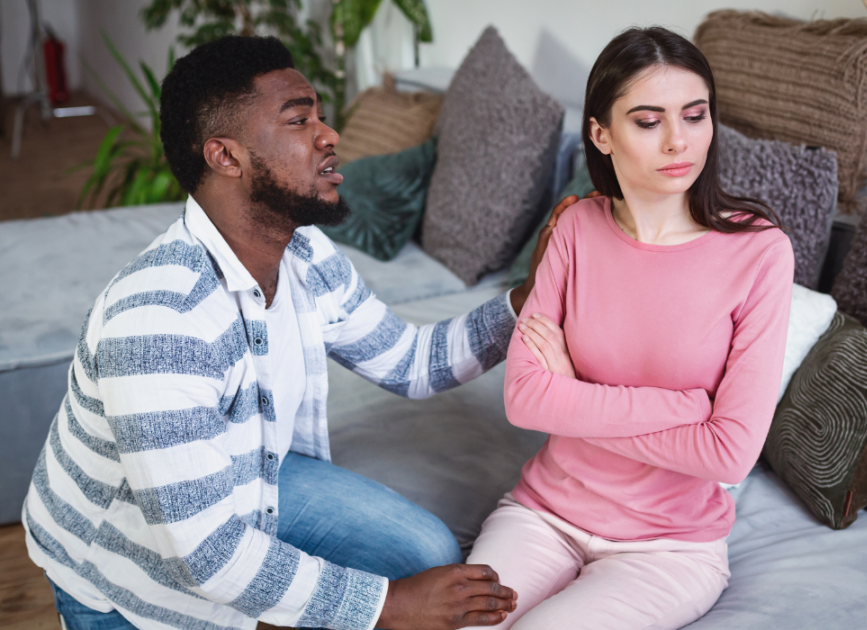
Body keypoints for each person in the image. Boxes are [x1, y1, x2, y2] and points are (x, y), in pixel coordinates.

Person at [22, 35, 578, 630]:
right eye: (299, 119)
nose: (329, 134)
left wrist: (524, 296)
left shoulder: (305, 251)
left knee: (429, 558)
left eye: (319, 114)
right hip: (123, 575)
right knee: (390, 594)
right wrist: (388, 606)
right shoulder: (159, 323)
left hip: (252, 475)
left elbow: (413, 362)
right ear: (225, 157)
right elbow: (207, 557)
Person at [463, 27, 795, 630]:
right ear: (601, 134)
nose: (678, 140)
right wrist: (686, 408)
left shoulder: (760, 252)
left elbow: (728, 454)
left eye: (695, 116)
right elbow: (523, 399)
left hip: (668, 549)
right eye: (648, 122)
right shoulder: (574, 229)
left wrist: (574, 400)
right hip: (543, 515)